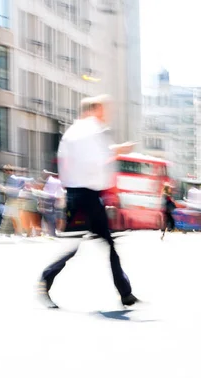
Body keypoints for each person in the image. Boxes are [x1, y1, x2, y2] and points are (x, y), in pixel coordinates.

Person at [37, 95, 140, 308]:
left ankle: (126, 293)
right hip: (89, 196)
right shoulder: (91, 130)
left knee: (85, 244)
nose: (106, 116)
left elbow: (67, 164)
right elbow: (97, 159)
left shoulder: (70, 133)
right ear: (94, 110)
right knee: (97, 245)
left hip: (76, 195)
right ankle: (46, 279)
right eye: (104, 111)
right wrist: (120, 150)